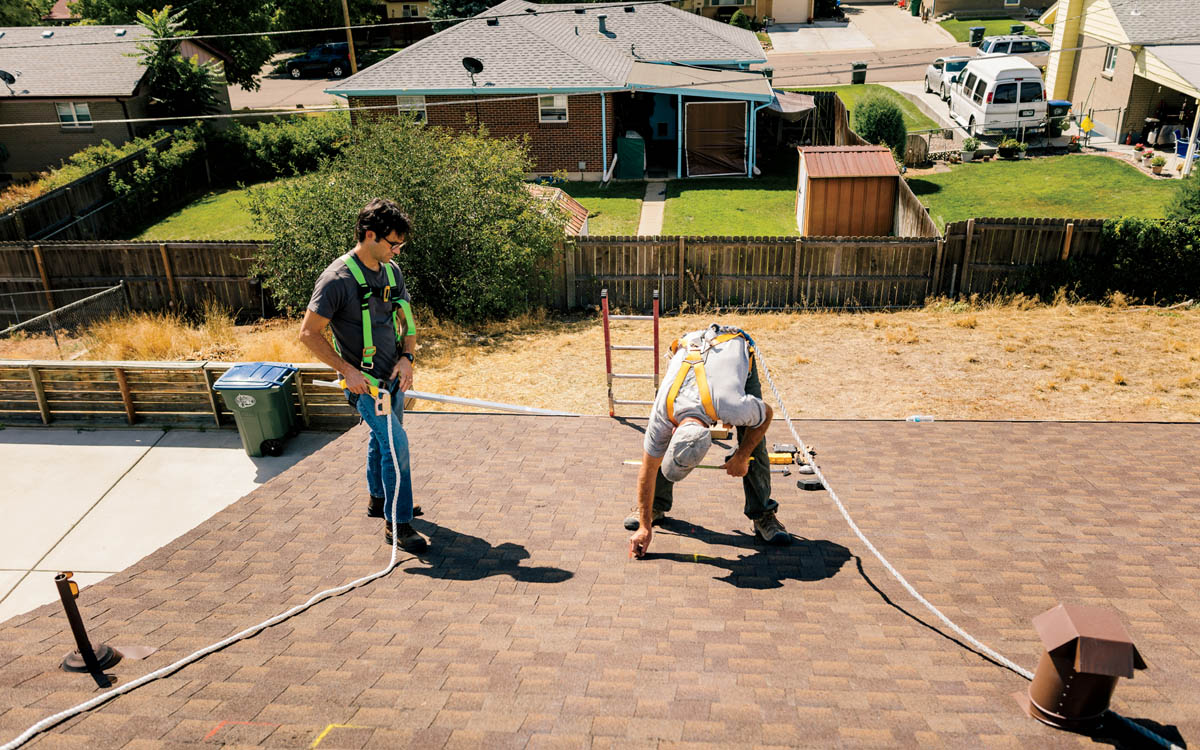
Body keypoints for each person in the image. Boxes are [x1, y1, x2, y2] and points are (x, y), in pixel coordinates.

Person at [299, 198, 427, 552]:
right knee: (396, 446)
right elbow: (308, 333)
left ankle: (378, 499)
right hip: (367, 387)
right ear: (370, 235)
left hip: (393, 379)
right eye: (393, 244)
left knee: (381, 441)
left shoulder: (391, 273)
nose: (398, 251)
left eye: (401, 245)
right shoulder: (336, 279)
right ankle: (398, 524)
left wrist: (407, 358)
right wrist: (348, 371)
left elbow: (407, 322)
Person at [627, 324, 790, 558]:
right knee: (657, 453)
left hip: (733, 349)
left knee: (754, 441)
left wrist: (742, 456)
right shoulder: (663, 414)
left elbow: (766, 416)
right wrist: (644, 527)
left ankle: (762, 514)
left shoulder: (731, 405)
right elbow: (648, 468)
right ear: (673, 432)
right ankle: (654, 507)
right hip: (691, 349)